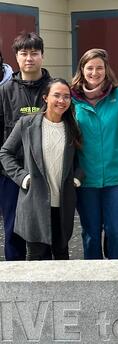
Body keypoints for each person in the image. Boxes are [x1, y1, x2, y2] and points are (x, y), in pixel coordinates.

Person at [71, 48, 118, 260]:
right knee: (91, 233)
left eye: (99, 68)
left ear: (106, 69)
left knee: (116, 231)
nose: (95, 72)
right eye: (90, 68)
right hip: (85, 179)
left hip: (117, 179)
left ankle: (115, 272)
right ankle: (93, 276)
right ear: (82, 70)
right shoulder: (72, 98)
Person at [0, 78, 82, 260]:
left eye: (66, 97)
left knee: (62, 256)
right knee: (35, 259)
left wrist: (77, 177)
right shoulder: (27, 124)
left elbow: (80, 159)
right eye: (57, 95)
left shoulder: (72, 127)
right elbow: (5, 153)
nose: (62, 101)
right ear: (45, 98)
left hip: (62, 202)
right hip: (35, 202)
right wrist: (23, 177)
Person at [0, 32, 51, 261]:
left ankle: (46, 278)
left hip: (47, 172)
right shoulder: (4, 91)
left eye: (34, 53)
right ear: (17, 58)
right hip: (11, 174)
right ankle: (15, 284)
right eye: (24, 53)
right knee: (13, 230)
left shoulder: (55, 89)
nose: (29, 58)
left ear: (42, 55)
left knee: (45, 230)